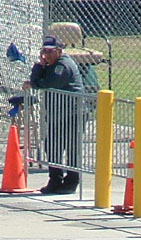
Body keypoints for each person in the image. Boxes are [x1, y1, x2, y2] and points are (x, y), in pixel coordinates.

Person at [28, 35, 84, 194]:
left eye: (50, 52)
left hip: (72, 113)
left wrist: (34, 82)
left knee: (72, 147)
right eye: (44, 51)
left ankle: (72, 181)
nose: (46, 55)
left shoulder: (63, 65)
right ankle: (55, 179)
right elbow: (39, 81)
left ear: (59, 51)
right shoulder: (50, 65)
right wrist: (40, 65)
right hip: (57, 114)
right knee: (52, 146)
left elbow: (47, 83)